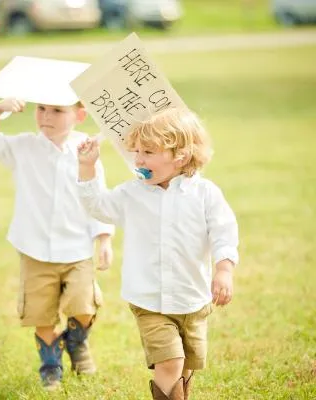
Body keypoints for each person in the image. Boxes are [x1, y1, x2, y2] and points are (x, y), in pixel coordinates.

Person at [76, 108, 239, 400]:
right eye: (136, 151)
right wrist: (87, 168)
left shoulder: (205, 194)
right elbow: (97, 206)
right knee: (170, 362)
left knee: (186, 366)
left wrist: (224, 269)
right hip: (149, 300)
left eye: (148, 152)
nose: (138, 160)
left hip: (193, 299)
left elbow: (224, 232)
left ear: (181, 155)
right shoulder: (131, 194)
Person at [0, 96, 114, 391]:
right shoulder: (24, 146)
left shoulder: (86, 152)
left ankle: (76, 343)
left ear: (79, 115)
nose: (46, 117)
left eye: (56, 110)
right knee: (41, 312)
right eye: (41, 108)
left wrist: (103, 239)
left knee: (84, 306)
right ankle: (50, 366)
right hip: (35, 250)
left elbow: (97, 196)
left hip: (76, 249)